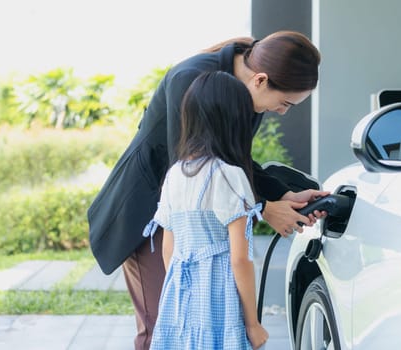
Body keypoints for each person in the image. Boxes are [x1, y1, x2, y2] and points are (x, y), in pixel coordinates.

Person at [87, 30, 328, 350]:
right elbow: (195, 168)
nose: (282, 112)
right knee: (162, 328)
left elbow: (233, 159)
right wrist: (263, 208)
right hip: (149, 215)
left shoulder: (243, 94)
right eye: (284, 103)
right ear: (260, 80)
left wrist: (283, 196)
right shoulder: (190, 79)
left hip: (187, 220)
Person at [143, 70, 269, 349]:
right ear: (235, 121)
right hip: (219, 295)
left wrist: (183, 290)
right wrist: (252, 322)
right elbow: (239, 259)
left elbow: (169, 248)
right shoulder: (229, 176)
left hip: (179, 295)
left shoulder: (175, 174)